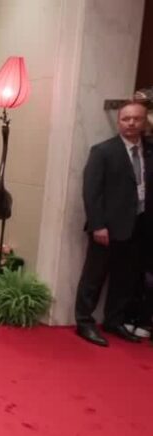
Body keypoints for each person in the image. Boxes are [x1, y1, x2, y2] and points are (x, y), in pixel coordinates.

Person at [74, 101, 150, 346]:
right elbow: (91, 191)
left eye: (136, 119)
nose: (131, 123)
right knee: (94, 276)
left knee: (125, 277)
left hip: (139, 225)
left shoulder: (149, 151)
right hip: (107, 226)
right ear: (119, 122)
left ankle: (114, 320)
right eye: (126, 119)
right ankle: (84, 322)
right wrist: (98, 224)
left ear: (145, 121)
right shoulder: (103, 151)